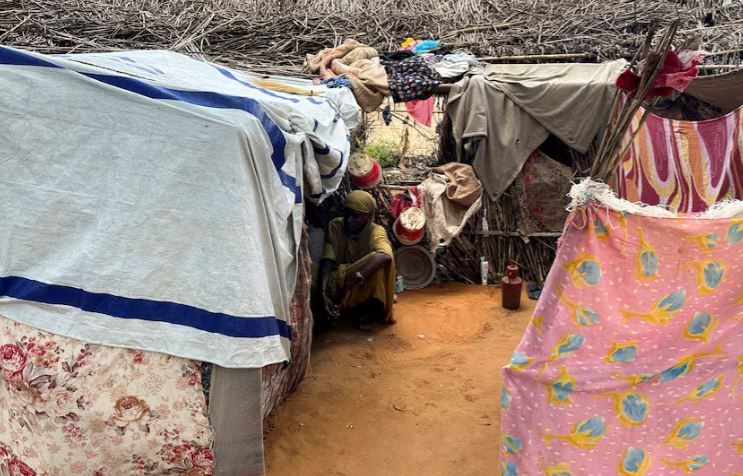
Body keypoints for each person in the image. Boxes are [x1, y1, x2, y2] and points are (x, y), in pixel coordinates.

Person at [320, 190, 396, 330]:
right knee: (312, 272)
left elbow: (385, 254)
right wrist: (323, 291)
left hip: (360, 281)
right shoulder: (336, 226)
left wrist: (353, 281)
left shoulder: (376, 231)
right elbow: (328, 259)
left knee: (377, 264)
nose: (349, 220)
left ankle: (366, 312)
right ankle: (330, 304)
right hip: (340, 279)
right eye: (347, 214)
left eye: (355, 216)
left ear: (368, 217)